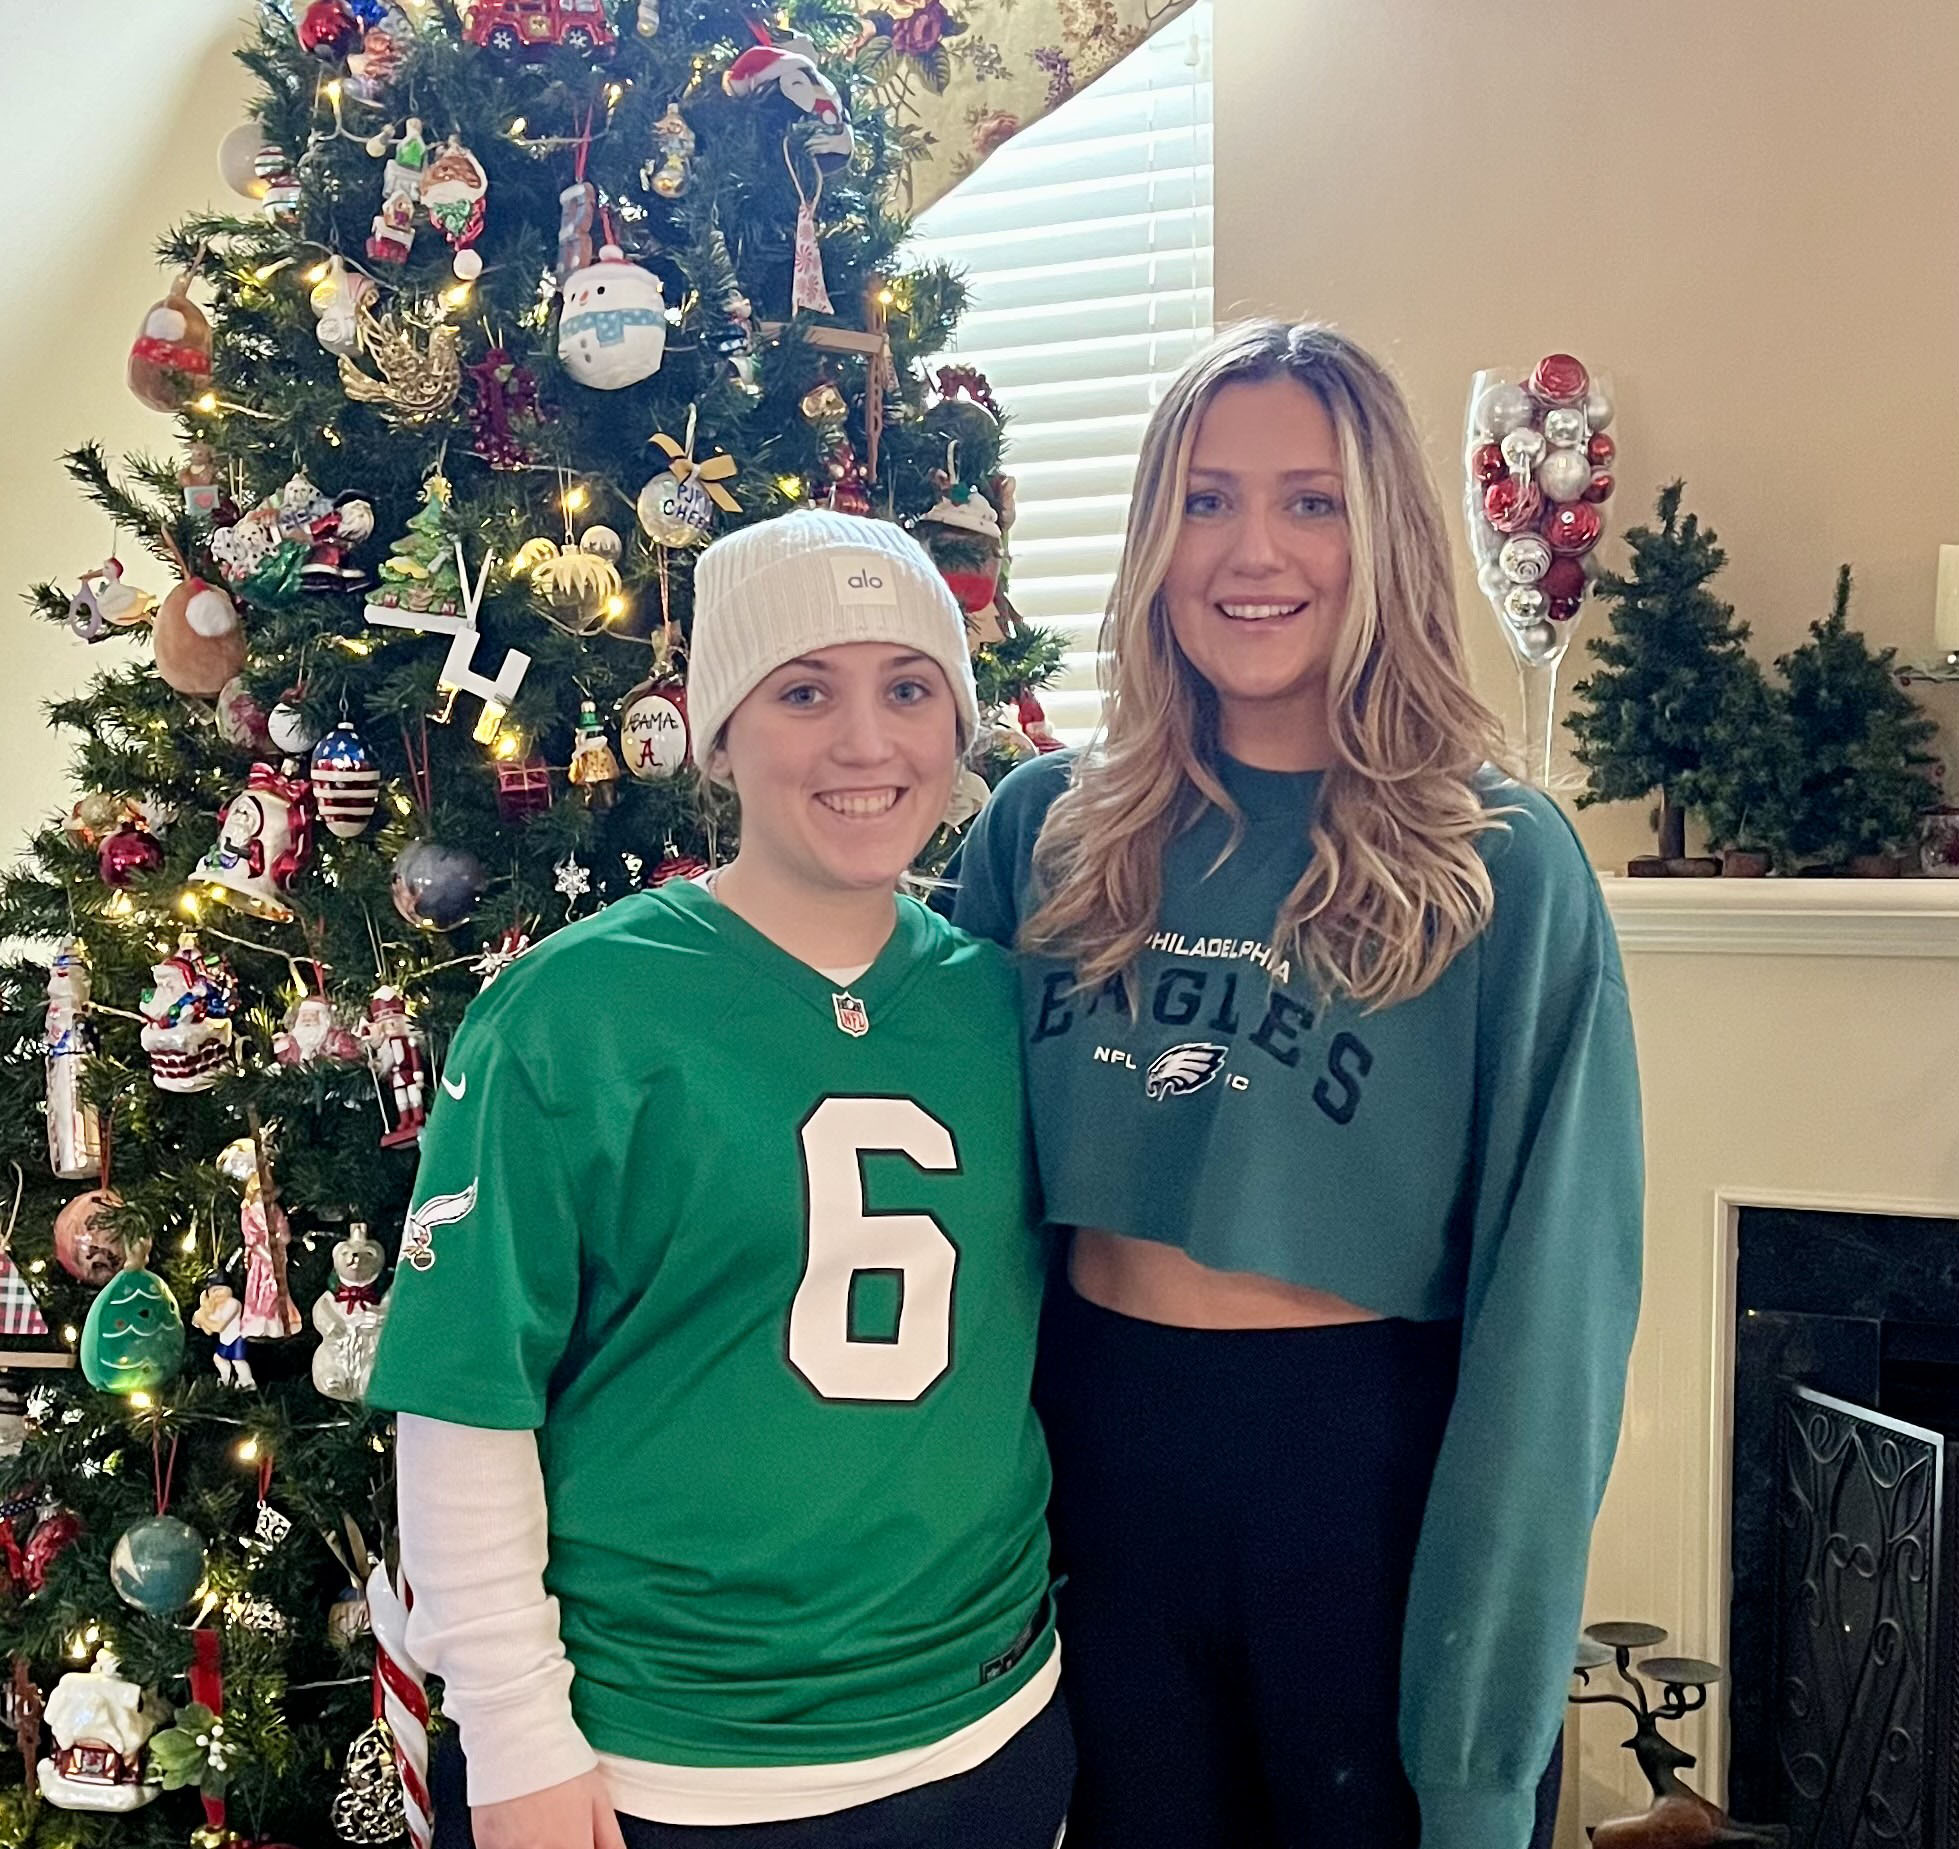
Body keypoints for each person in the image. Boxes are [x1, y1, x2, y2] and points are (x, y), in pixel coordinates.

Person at [950, 320, 1643, 1849]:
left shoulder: (1502, 867)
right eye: (1203, 499)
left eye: (1309, 500)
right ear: (1152, 536)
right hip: (1087, 1485)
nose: (1251, 550)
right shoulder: (1042, 832)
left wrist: (1478, 1733)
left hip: (1370, 1497)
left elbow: (1557, 1333)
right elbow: (937, 1200)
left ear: (1383, 531)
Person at [366, 510, 1071, 1849]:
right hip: (661, 1765)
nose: (868, 743)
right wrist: (514, 1732)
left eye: (909, 688)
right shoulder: (572, 1011)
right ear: (719, 728)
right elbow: (463, 1396)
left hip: (983, 1725)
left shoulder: (1009, 1008)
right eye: (806, 690)